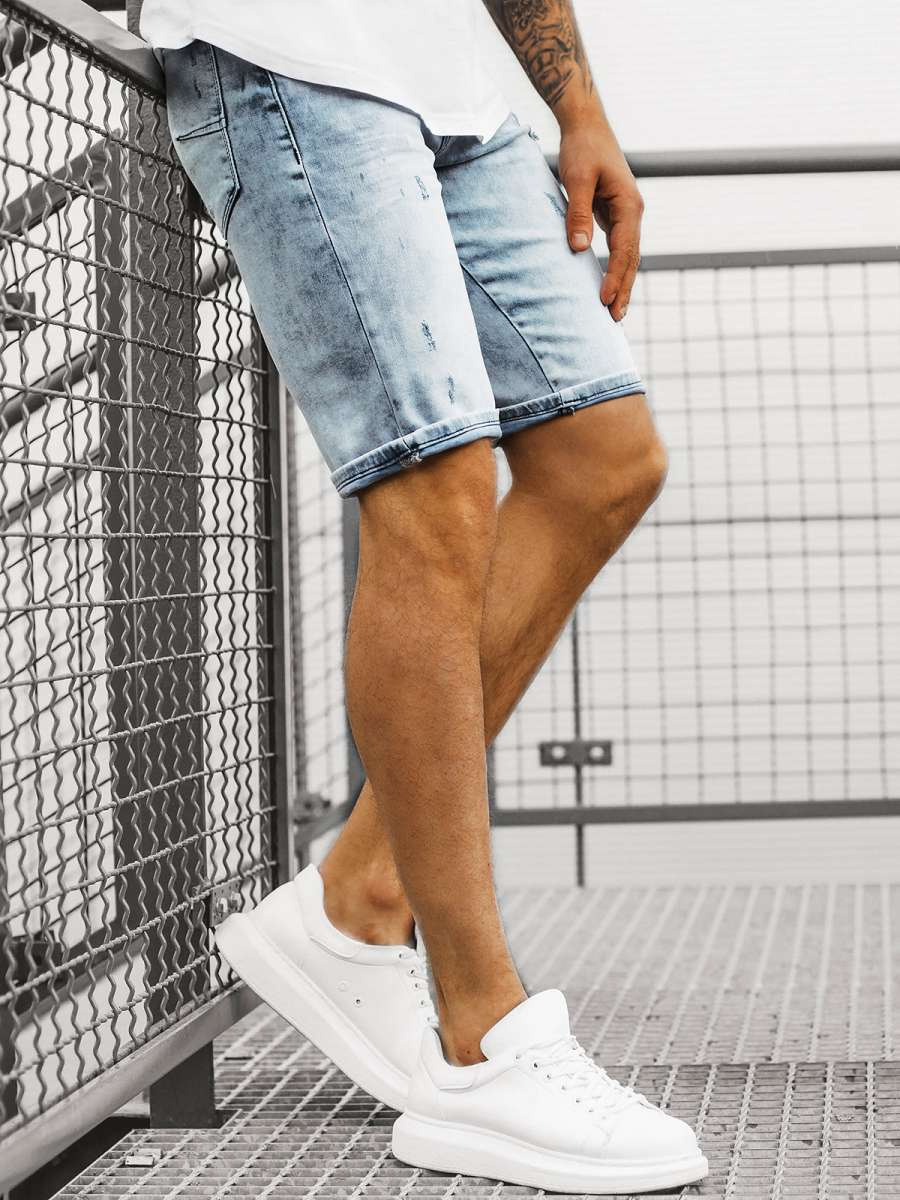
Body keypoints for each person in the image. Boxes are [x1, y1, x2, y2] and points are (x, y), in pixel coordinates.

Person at [140, 0, 707, 1190]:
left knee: (604, 460)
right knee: (434, 485)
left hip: (453, 89)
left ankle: (358, 893)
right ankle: (480, 1044)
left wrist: (579, 104)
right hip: (285, 59)